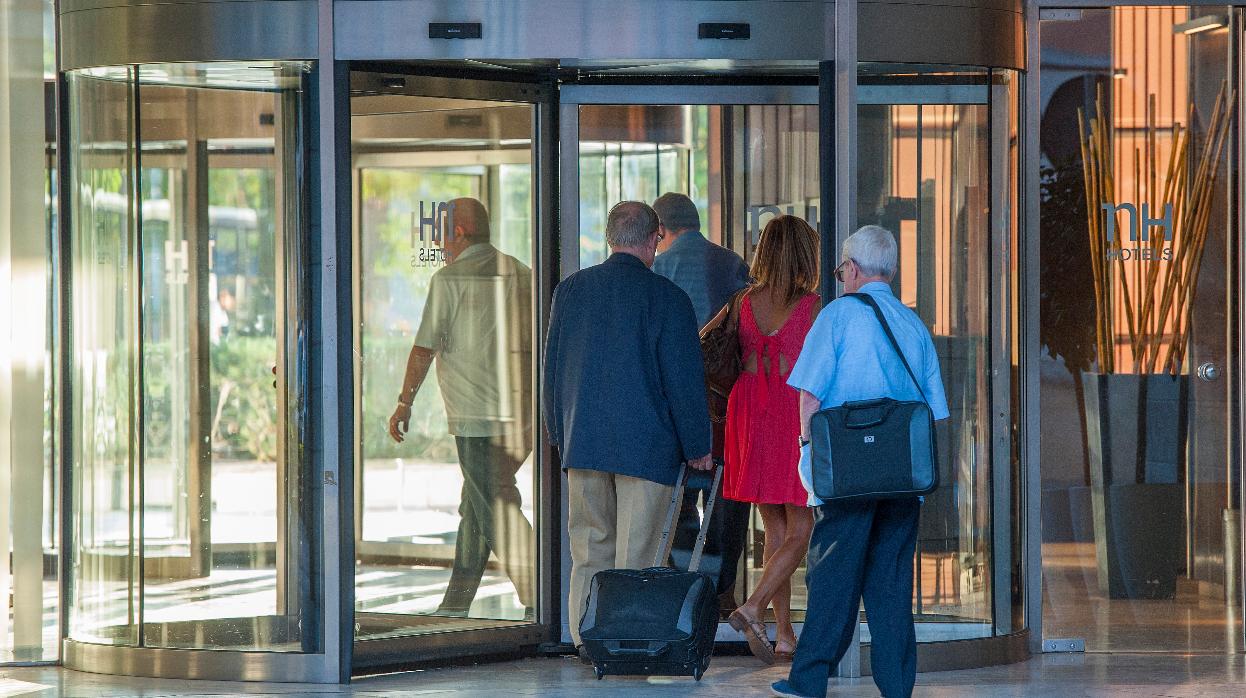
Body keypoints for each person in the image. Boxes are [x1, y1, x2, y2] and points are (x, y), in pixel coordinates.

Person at [771, 225, 950, 698]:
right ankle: (896, 686)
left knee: (832, 575)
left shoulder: (837, 316)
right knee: (891, 584)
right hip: (901, 476)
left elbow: (809, 396)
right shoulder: (913, 323)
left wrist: (809, 456)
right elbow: (936, 409)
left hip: (847, 471)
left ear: (850, 269)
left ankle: (808, 681)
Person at [541, 200, 715, 652]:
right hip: (649, 451)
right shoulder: (669, 299)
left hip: (584, 446)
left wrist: (559, 435)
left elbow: (551, 372)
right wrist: (698, 445)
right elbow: (683, 381)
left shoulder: (571, 291)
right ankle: (627, 640)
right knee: (638, 558)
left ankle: (586, 640)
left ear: (608, 237)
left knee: (589, 551)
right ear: (655, 237)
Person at [388, 197, 535, 619]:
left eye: (441, 233)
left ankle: (540, 592)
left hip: (475, 417)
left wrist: (404, 402)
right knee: (476, 507)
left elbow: (424, 346)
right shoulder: (521, 273)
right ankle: (455, 604)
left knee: (494, 505)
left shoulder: (450, 279)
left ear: (459, 233)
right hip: (519, 414)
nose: (438, 241)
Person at [708, 215, 819, 664]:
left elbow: (708, 342)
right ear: (805, 254)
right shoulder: (813, 306)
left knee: (775, 527)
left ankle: (785, 633)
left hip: (748, 408)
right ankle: (753, 607)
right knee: (803, 526)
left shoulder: (742, 302)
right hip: (791, 412)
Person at [650, 191, 752, 613]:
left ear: (660, 230)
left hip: (671, 404)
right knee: (728, 495)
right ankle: (723, 589)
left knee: (679, 499)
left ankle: (685, 586)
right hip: (724, 404)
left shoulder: (657, 267)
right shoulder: (730, 263)